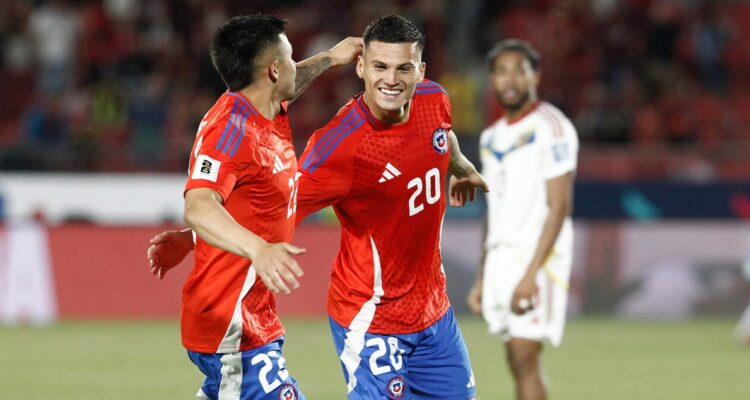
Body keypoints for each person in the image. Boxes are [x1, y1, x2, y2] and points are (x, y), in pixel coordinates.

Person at [149, 15, 487, 400]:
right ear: (362, 67)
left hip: (432, 312)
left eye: (403, 68)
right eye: (380, 66)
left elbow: (440, 135)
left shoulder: (433, 99)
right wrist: (205, 236)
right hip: (350, 317)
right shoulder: (331, 148)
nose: (391, 79)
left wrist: (461, 167)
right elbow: (225, 206)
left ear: (420, 72)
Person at [164, 14, 362, 400]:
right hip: (230, 326)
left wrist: (330, 58)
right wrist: (258, 248)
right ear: (273, 69)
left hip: (251, 317)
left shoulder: (266, 107)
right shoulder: (230, 131)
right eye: (289, 58)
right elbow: (200, 205)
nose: (293, 65)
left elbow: (287, 85)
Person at [465, 39, 579, 400]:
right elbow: (493, 209)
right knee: (515, 357)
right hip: (501, 257)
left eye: (519, 70)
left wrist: (531, 274)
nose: (509, 79)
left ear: (536, 77)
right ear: (492, 81)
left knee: (525, 354)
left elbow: (559, 205)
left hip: (537, 255)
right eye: (501, 72)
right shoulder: (491, 137)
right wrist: (483, 276)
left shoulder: (552, 126)